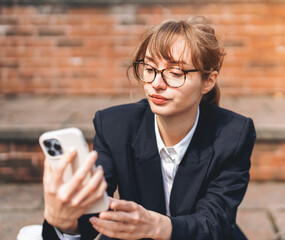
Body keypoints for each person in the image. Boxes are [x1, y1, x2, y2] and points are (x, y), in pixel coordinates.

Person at [42, 16, 256, 240]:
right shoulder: (114, 127)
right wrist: (64, 222)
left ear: (208, 81)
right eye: (150, 68)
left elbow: (214, 220)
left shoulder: (234, 134)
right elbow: (93, 214)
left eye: (175, 73)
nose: (156, 83)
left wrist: (158, 226)